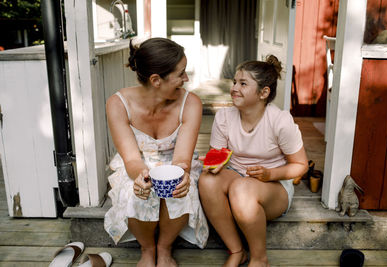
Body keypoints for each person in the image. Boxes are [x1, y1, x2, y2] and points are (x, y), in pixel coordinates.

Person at [104, 37, 209, 267]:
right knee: (137, 191)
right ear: (156, 80)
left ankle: (164, 248)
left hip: (175, 161)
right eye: (181, 73)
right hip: (136, 163)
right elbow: (131, 158)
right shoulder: (118, 103)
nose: (187, 78)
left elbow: (182, 158)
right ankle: (147, 248)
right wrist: (141, 176)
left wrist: (181, 172)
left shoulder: (191, 103)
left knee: (180, 188)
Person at [199, 55, 308, 267]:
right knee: (207, 180)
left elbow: (301, 165)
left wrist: (270, 174)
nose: (234, 88)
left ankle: (259, 258)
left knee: (242, 188)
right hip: (238, 178)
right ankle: (237, 250)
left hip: (273, 186)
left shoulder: (280, 121)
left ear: (264, 93)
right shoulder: (224, 117)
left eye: (243, 83)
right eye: (234, 82)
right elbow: (217, 155)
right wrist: (214, 162)